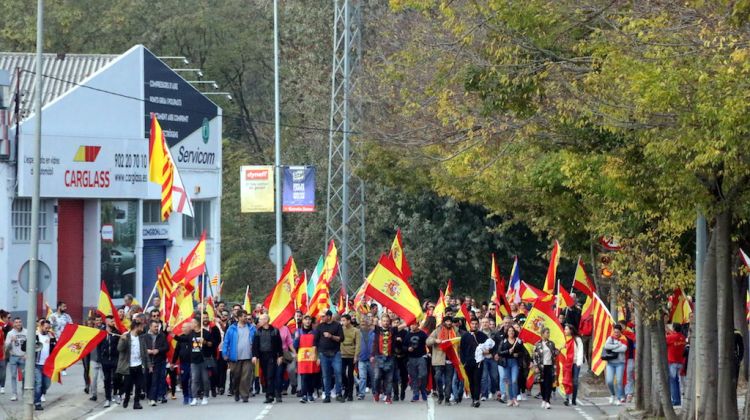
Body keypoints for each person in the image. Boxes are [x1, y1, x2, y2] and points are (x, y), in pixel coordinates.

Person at [175, 318, 212, 406]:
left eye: (192, 323)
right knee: (194, 380)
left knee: (205, 380)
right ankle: (194, 397)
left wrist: (205, 342)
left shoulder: (205, 333)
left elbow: (212, 344)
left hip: (204, 360)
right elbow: (181, 339)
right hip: (194, 361)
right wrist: (171, 333)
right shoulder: (191, 334)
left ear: (196, 324)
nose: (190, 324)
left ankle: (205, 396)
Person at [21, 319, 55, 410]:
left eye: (49, 328)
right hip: (36, 364)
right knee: (38, 383)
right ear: (41, 326)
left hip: (47, 365)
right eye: (46, 328)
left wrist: (53, 339)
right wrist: (31, 343)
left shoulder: (51, 337)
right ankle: (37, 402)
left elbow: (55, 349)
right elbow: (23, 347)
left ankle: (40, 394)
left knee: (46, 384)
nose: (47, 329)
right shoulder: (35, 336)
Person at [116, 314, 149, 410]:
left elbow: (145, 352)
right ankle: (126, 398)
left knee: (139, 385)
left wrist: (148, 365)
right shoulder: (126, 336)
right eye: (141, 327)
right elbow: (119, 349)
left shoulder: (141, 338)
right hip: (129, 366)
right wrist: (122, 340)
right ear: (136, 327)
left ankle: (136, 403)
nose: (143, 328)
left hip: (138, 365)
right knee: (128, 385)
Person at [222, 309, 256, 403]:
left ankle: (245, 395)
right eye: (244, 316)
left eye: (247, 317)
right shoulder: (232, 329)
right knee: (236, 377)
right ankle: (236, 391)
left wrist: (255, 355)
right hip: (235, 357)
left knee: (246, 377)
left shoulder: (252, 328)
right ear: (239, 317)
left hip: (248, 357)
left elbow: (256, 342)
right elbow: (226, 342)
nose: (246, 318)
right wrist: (224, 353)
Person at [314, 310, 345, 403]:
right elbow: (315, 342)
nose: (322, 318)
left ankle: (339, 394)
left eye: (323, 316)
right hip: (323, 354)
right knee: (325, 375)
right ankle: (327, 395)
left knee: (338, 373)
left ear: (329, 316)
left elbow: (341, 339)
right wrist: (317, 357)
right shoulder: (320, 326)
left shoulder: (337, 325)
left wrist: (331, 336)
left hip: (335, 353)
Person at [252, 313, 283, 403]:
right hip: (262, 356)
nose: (259, 321)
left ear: (266, 320)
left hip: (272, 356)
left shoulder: (275, 331)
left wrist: (280, 356)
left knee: (270, 375)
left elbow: (279, 345)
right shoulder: (258, 331)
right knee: (266, 376)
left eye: (261, 319)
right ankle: (272, 393)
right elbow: (255, 345)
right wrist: (255, 356)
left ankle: (270, 395)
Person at [427, 316, 457, 405]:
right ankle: (440, 394)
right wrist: (435, 340)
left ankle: (447, 398)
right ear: (444, 322)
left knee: (449, 381)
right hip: (439, 359)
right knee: (437, 377)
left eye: (450, 321)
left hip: (450, 360)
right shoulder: (437, 330)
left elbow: (460, 341)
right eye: (447, 321)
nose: (448, 323)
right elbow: (428, 341)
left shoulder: (456, 331)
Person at [460, 318, 489, 408]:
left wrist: (486, 351)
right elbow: (461, 350)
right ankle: (473, 398)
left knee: (477, 380)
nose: (474, 325)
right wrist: (463, 362)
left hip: (479, 362)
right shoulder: (465, 336)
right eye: (473, 324)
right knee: (471, 381)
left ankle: (476, 399)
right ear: (470, 324)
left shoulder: (482, 336)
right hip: (468, 363)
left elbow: (489, 346)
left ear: (478, 324)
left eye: (476, 324)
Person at [95, 316, 120, 408]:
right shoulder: (101, 332)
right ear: (106, 322)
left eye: (114, 320)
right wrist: (99, 358)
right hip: (105, 360)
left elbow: (121, 342)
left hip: (115, 359)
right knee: (107, 379)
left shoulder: (116, 332)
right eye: (111, 320)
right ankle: (108, 398)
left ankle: (116, 394)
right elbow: (98, 346)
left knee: (117, 377)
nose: (113, 322)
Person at [371, 314, 396, 404]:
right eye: (384, 321)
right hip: (379, 356)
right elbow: (367, 323)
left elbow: (404, 324)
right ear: (381, 322)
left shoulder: (393, 330)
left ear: (389, 322)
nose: (385, 323)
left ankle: (388, 396)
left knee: (389, 379)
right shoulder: (377, 330)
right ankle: (377, 393)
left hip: (390, 357)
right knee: (377, 377)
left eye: (387, 321)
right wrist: (372, 355)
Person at [295, 315, 320, 403]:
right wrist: (296, 339)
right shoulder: (299, 332)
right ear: (302, 321)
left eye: (309, 319)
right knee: (304, 377)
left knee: (311, 377)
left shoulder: (315, 332)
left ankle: (310, 393)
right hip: (302, 357)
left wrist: (318, 357)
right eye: (306, 319)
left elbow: (318, 344)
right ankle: (304, 395)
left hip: (312, 356)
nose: (307, 321)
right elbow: (295, 346)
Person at [499, 326, 525, 407]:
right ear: (507, 332)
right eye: (509, 331)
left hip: (515, 363)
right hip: (506, 363)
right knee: (509, 382)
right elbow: (499, 352)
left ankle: (515, 398)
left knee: (514, 381)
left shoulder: (518, 341)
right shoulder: (503, 341)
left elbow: (523, 352)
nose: (511, 332)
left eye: (512, 331)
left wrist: (518, 354)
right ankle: (510, 399)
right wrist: (507, 351)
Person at [533, 327, 558, 409]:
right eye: (547, 332)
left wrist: (558, 351)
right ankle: (544, 399)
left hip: (550, 366)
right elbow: (534, 357)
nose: (548, 334)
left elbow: (554, 353)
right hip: (541, 367)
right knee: (542, 384)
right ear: (542, 334)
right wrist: (536, 366)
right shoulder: (537, 344)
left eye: (549, 332)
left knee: (549, 384)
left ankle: (547, 401)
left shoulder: (551, 344)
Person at [145, 319, 169, 406]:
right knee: (148, 380)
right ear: (150, 327)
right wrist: (146, 351)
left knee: (158, 379)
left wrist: (158, 350)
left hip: (159, 360)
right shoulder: (145, 336)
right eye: (155, 326)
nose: (156, 328)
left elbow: (166, 347)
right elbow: (141, 348)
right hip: (148, 362)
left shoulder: (162, 335)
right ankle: (150, 396)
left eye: (157, 326)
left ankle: (154, 398)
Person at [404, 320, 429, 402]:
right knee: (413, 376)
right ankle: (415, 394)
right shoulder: (408, 335)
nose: (412, 326)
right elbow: (403, 346)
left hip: (421, 357)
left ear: (418, 325)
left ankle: (423, 390)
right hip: (411, 358)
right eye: (411, 325)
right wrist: (408, 349)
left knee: (423, 375)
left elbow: (428, 342)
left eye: (414, 325)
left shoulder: (422, 334)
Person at [603, 324, 628, 405]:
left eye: (617, 332)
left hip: (620, 363)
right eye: (615, 332)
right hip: (610, 363)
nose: (616, 333)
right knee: (609, 381)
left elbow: (624, 349)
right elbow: (606, 346)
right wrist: (617, 345)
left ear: (621, 332)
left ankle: (619, 397)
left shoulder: (623, 338)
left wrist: (612, 348)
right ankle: (612, 394)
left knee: (619, 381)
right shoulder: (610, 337)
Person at [5, 317, 27, 401]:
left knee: (25, 376)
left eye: (19, 322)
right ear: (14, 324)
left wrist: (27, 354)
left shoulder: (26, 332)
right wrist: (11, 341)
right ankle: (14, 394)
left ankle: (24, 391)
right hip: (13, 357)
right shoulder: (10, 333)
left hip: (23, 357)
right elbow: (6, 346)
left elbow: (31, 344)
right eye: (16, 322)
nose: (18, 324)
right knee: (13, 375)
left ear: (21, 323)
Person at [340, 314, 360, 401]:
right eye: (342, 320)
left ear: (348, 321)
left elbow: (358, 344)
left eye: (344, 320)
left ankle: (350, 394)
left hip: (351, 355)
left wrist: (356, 355)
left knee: (350, 375)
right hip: (342, 354)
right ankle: (346, 389)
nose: (342, 322)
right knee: (342, 373)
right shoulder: (340, 329)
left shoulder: (356, 330)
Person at [666, 323, 686, 407]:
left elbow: (665, 342)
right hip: (680, 361)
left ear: (674, 328)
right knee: (677, 381)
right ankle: (678, 400)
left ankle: (675, 400)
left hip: (672, 361)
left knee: (673, 381)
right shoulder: (683, 337)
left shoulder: (670, 337)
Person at [479, 317, 498, 401]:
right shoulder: (478, 334)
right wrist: (482, 352)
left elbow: (498, 345)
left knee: (494, 376)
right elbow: (476, 345)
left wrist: (492, 352)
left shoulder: (494, 333)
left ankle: (493, 391)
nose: (485, 324)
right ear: (481, 324)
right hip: (483, 358)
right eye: (483, 322)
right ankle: (484, 394)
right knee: (484, 377)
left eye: (486, 322)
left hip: (492, 357)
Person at [564, 324, 584, 406]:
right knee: (567, 380)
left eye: (566, 329)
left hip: (575, 363)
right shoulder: (564, 339)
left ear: (571, 330)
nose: (565, 331)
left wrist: (579, 362)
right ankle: (567, 398)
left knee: (575, 381)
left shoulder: (577, 339)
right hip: (567, 363)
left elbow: (580, 351)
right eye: (565, 329)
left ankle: (574, 399)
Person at [357, 315, 374, 400]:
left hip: (372, 359)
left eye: (365, 321)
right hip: (361, 358)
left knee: (373, 377)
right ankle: (361, 394)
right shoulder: (357, 332)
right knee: (362, 377)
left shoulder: (373, 332)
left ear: (368, 323)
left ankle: (375, 393)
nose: (363, 323)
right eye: (361, 321)